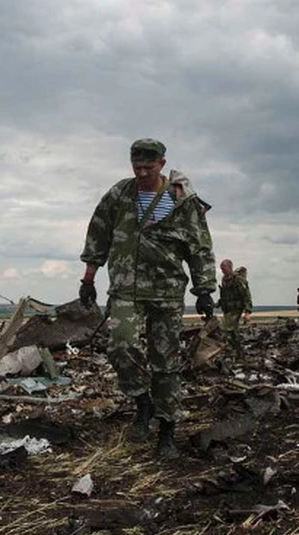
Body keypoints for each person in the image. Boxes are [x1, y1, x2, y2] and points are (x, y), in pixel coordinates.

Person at [79, 138, 216, 459]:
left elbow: (199, 246)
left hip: (167, 291)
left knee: (165, 362)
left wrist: (205, 290)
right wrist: (88, 278)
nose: (141, 173)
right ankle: (143, 402)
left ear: (162, 164)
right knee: (121, 345)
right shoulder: (120, 194)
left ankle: (167, 430)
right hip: (126, 288)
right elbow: (98, 232)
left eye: (148, 167)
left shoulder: (182, 199)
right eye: (136, 166)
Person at [217, 259, 252, 353]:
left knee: (228, 329)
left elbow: (246, 295)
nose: (222, 271)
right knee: (229, 331)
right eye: (221, 269)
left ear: (230, 267)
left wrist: (247, 312)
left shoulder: (238, 280)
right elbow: (224, 296)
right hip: (227, 310)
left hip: (236, 309)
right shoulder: (225, 279)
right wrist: (217, 304)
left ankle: (238, 353)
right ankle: (235, 352)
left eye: (224, 268)